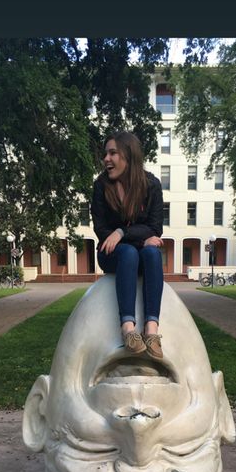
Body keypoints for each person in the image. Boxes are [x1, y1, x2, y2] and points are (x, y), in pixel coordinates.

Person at [90, 131, 165, 359]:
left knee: (152, 253)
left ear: (128, 156)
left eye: (113, 153)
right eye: (106, 154)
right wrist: (137, 237)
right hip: (112, 254)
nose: (106, 159)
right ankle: (128, 329)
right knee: (131, 252)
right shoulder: (101, 186)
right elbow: (102, 230)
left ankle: (151, 329)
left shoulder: (151, 185)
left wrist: (121, 232)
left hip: (138, 253)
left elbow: (155, 229)